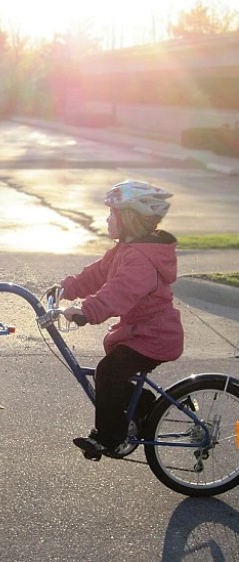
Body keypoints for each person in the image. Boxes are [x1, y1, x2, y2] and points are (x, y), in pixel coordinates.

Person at [53, 180, 184, 461]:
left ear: (130, 218)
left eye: (112, 214)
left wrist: (87, 311)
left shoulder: (140, 259)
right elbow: (98, 274)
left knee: (108, 372)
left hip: (155, 336)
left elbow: (118, 293)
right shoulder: (125, 250)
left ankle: (109, 437)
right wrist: (68, 288)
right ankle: (146, 406)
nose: (107, 219)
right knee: (115, 373)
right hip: (140, 332)